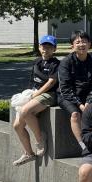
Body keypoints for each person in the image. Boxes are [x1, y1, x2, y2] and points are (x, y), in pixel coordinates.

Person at [13, 35, 60, 166]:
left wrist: (35, 95)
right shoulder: (37, 62)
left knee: (25, 111)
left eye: (49, 47)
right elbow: (32, 80)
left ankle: (40, 139)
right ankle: (29, 153)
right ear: (39, 47)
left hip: (49, 95)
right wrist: (27, 94)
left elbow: (51, 83)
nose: (46, 49)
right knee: (17, 126)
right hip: (34, 93)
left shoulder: (56, 64)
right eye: (43, 46)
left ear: (54, 49)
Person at [58, 31, 92, 153]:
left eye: (84, 42)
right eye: (77, 42)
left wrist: (89, 101)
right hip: (67, 97)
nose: (81, 44)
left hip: (87, 96)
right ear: (72, 45)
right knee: (75, 114)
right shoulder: (66, 62)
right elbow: (65, 88)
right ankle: (83, 145)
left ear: (89, 44)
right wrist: (80, 105)